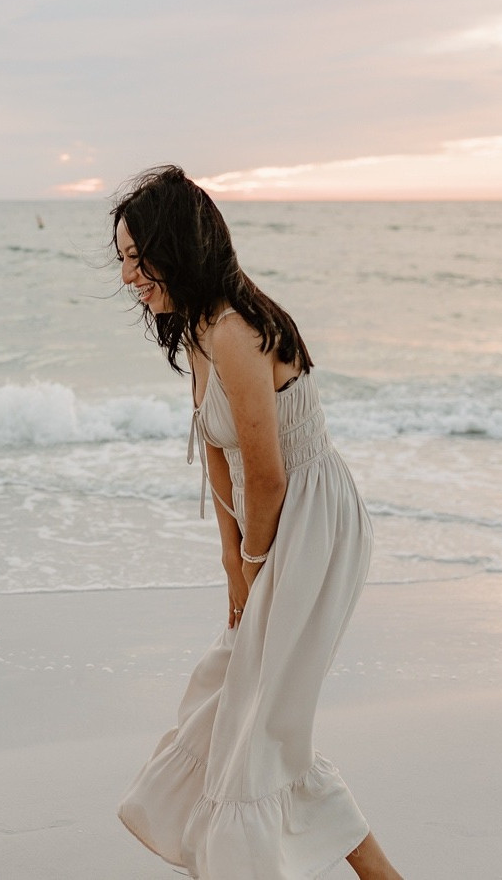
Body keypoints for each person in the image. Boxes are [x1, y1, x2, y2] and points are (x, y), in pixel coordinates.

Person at [110, 168, 404, 880]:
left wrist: (254, 559)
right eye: (119, 259)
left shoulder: (235, 330)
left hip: (308, 525)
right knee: (232, 713)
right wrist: (228, 562)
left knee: (258, 731)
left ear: (172, 245)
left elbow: (267, 472)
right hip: (267, 527)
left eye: (135, 257)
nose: (127, 278)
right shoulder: (197, 329)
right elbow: (215, 454)